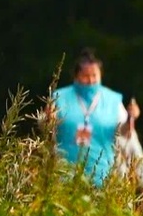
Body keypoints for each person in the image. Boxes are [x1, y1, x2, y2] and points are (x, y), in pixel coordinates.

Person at [50, 48, 137, 185]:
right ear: (76, 76)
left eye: (94, 75)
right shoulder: (59, 97)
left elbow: (125, 132)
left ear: (100, 75)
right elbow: (44, 127)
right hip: (64, 173)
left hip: (102, 173)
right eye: (85, 76)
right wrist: (48, 117)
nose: (90, 80)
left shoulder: (112, 100)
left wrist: (131, 118)